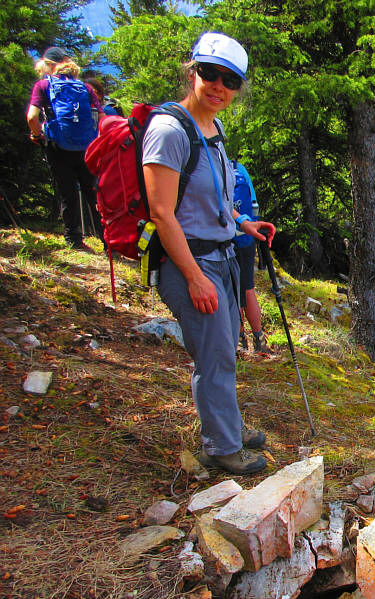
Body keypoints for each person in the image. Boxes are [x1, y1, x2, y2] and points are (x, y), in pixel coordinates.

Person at [142, 32, 275, 475]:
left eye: (231, 80)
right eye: (210, 74)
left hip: (219, 257)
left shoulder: (212, 127)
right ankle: (221, 447)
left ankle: (230, 427)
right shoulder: (168, 130)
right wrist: (194, 277)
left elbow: (211, 197)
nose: (219, 86)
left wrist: (240, 223)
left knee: (224, 349)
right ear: (193, 71)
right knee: (214, 355)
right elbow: (162, 212)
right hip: (192, 264)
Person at [26, 47, 104, 250]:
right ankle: (108, 242)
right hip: (86, 149)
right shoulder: (85, 88)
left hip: (58, 148)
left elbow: (32, 116)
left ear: (50, 66)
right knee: (93, 193)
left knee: (67, 194)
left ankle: (74, 240)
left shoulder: (42, 86)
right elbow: (102, 119)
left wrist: (37, 135)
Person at [231, 160, 271, 355]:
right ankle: (259, 339)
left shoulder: (213, 167)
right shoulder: (239, 168)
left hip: (226, 239)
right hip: (247, 239)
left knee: (233, 290)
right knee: (248, 289)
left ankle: (240, 340)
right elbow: (254, 205)